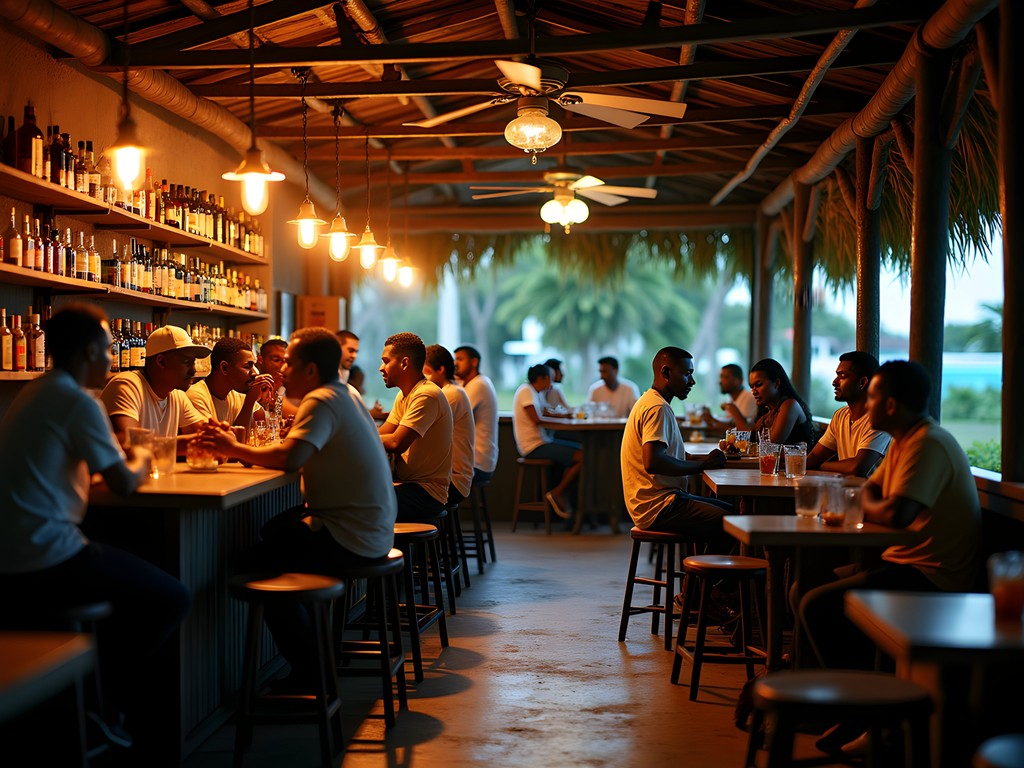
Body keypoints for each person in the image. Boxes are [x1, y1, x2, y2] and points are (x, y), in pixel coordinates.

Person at [0, 304, 190, 747]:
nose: (112, 360)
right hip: (46, 553)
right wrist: (144, 454)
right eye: (107, 350)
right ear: (89, 350)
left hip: (14, 551)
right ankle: (102, 702)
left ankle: (90, 697)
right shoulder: (75, 400)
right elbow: (125, 481)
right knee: (173, 597)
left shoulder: (38, 390)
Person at [196, 327, 396, 692]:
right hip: (370, 528)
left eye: (289, 363)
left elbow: (290, 459)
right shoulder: (343, 393)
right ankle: (315, 658)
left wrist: (231, 446)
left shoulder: (322, 400)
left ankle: (313, 671)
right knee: (274, 533)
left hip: (350, 535)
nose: (282, 371)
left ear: (310, 371)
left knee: (254, 564)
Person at [620, 347, 733, 552]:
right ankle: (711, 582)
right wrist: (702, 466)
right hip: (658, 507)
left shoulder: (651, 401)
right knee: (734, 522)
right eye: (687, 374)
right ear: (665, 373)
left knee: (730, 510)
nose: (692, 381)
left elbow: (673, 455)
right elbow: (653, 462)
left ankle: (701, 580)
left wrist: (705, 459)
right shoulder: (657, 408)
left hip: (660, 501)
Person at [378, 332, 454, 522]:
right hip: (409, 485)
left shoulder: (426, 394)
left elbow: (396, 442)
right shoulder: (404, 395)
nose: (381, 368)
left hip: (426, 493)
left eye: (386, 361)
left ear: (404, 363)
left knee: (355, 503)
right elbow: (383, 433)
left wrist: (352, 438)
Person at [100, 324, 210, 449]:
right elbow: (130, 444)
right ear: (161, 362)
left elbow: (205, 433)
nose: (193, 370)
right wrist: (187, 444)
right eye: (187, 362)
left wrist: (218, 437)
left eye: (193, 362)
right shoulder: (126, 385)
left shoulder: (176, 395)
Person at [512, 363, 581, 519]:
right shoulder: (526, 391)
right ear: (541, 378)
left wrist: (565, 416)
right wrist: (564, 421)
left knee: (580, 451)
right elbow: (537, 419)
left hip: (541, 442)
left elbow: (544, 411)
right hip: (532, 446)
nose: (552, 382)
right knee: (581, 455)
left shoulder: (534, 392)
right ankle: (557, 493)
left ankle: (560, 494)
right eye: (550, 378)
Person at [806, 351, 891, 476]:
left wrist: (822, 465)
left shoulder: (879, 419)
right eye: (837, 375)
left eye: (843, 376)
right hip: (847, 491)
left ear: (862, 382)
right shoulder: (840, 416)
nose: (835, 382)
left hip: (873, 494)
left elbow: (857, 468)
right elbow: (813, 458)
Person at [187, 336, 274, 439]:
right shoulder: (195, 396)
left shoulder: (235, 394)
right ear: (224, 368)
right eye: (247, 366)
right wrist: (250, 400)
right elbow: (229, 446)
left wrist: (260, 398)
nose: (255, 373)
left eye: (254, 366)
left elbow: (260, 420)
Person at [424, 344, 476, 506]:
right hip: (450, 477)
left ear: (440, 370)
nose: (422, 377)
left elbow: (421, 429)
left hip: (454, 481)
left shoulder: (450, 394)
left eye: (426, 371)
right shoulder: (451, 391)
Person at [454, 345, 499, 485]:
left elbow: (453, 416)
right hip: (476, 460)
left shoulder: (478, 384)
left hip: (477, 463)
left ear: (474, 362)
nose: (455, 363)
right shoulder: (469, 384)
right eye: (455, 359)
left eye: (460, 359)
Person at [747, 358, 816, 446]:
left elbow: (771, 447)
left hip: (797, 460)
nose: (754, 391)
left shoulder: (790, 405)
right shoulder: (767, 410)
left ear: (776, 383)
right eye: (752, 387)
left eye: (758, 385)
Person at [702, 363, 758, 431]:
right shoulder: (731, 399)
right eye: (721, 377)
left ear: (739, 380)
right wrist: (711, 420)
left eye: (726, 377)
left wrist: (734, 411)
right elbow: (730, 425)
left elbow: (743, 430)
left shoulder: (749, 398)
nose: (720, 381)